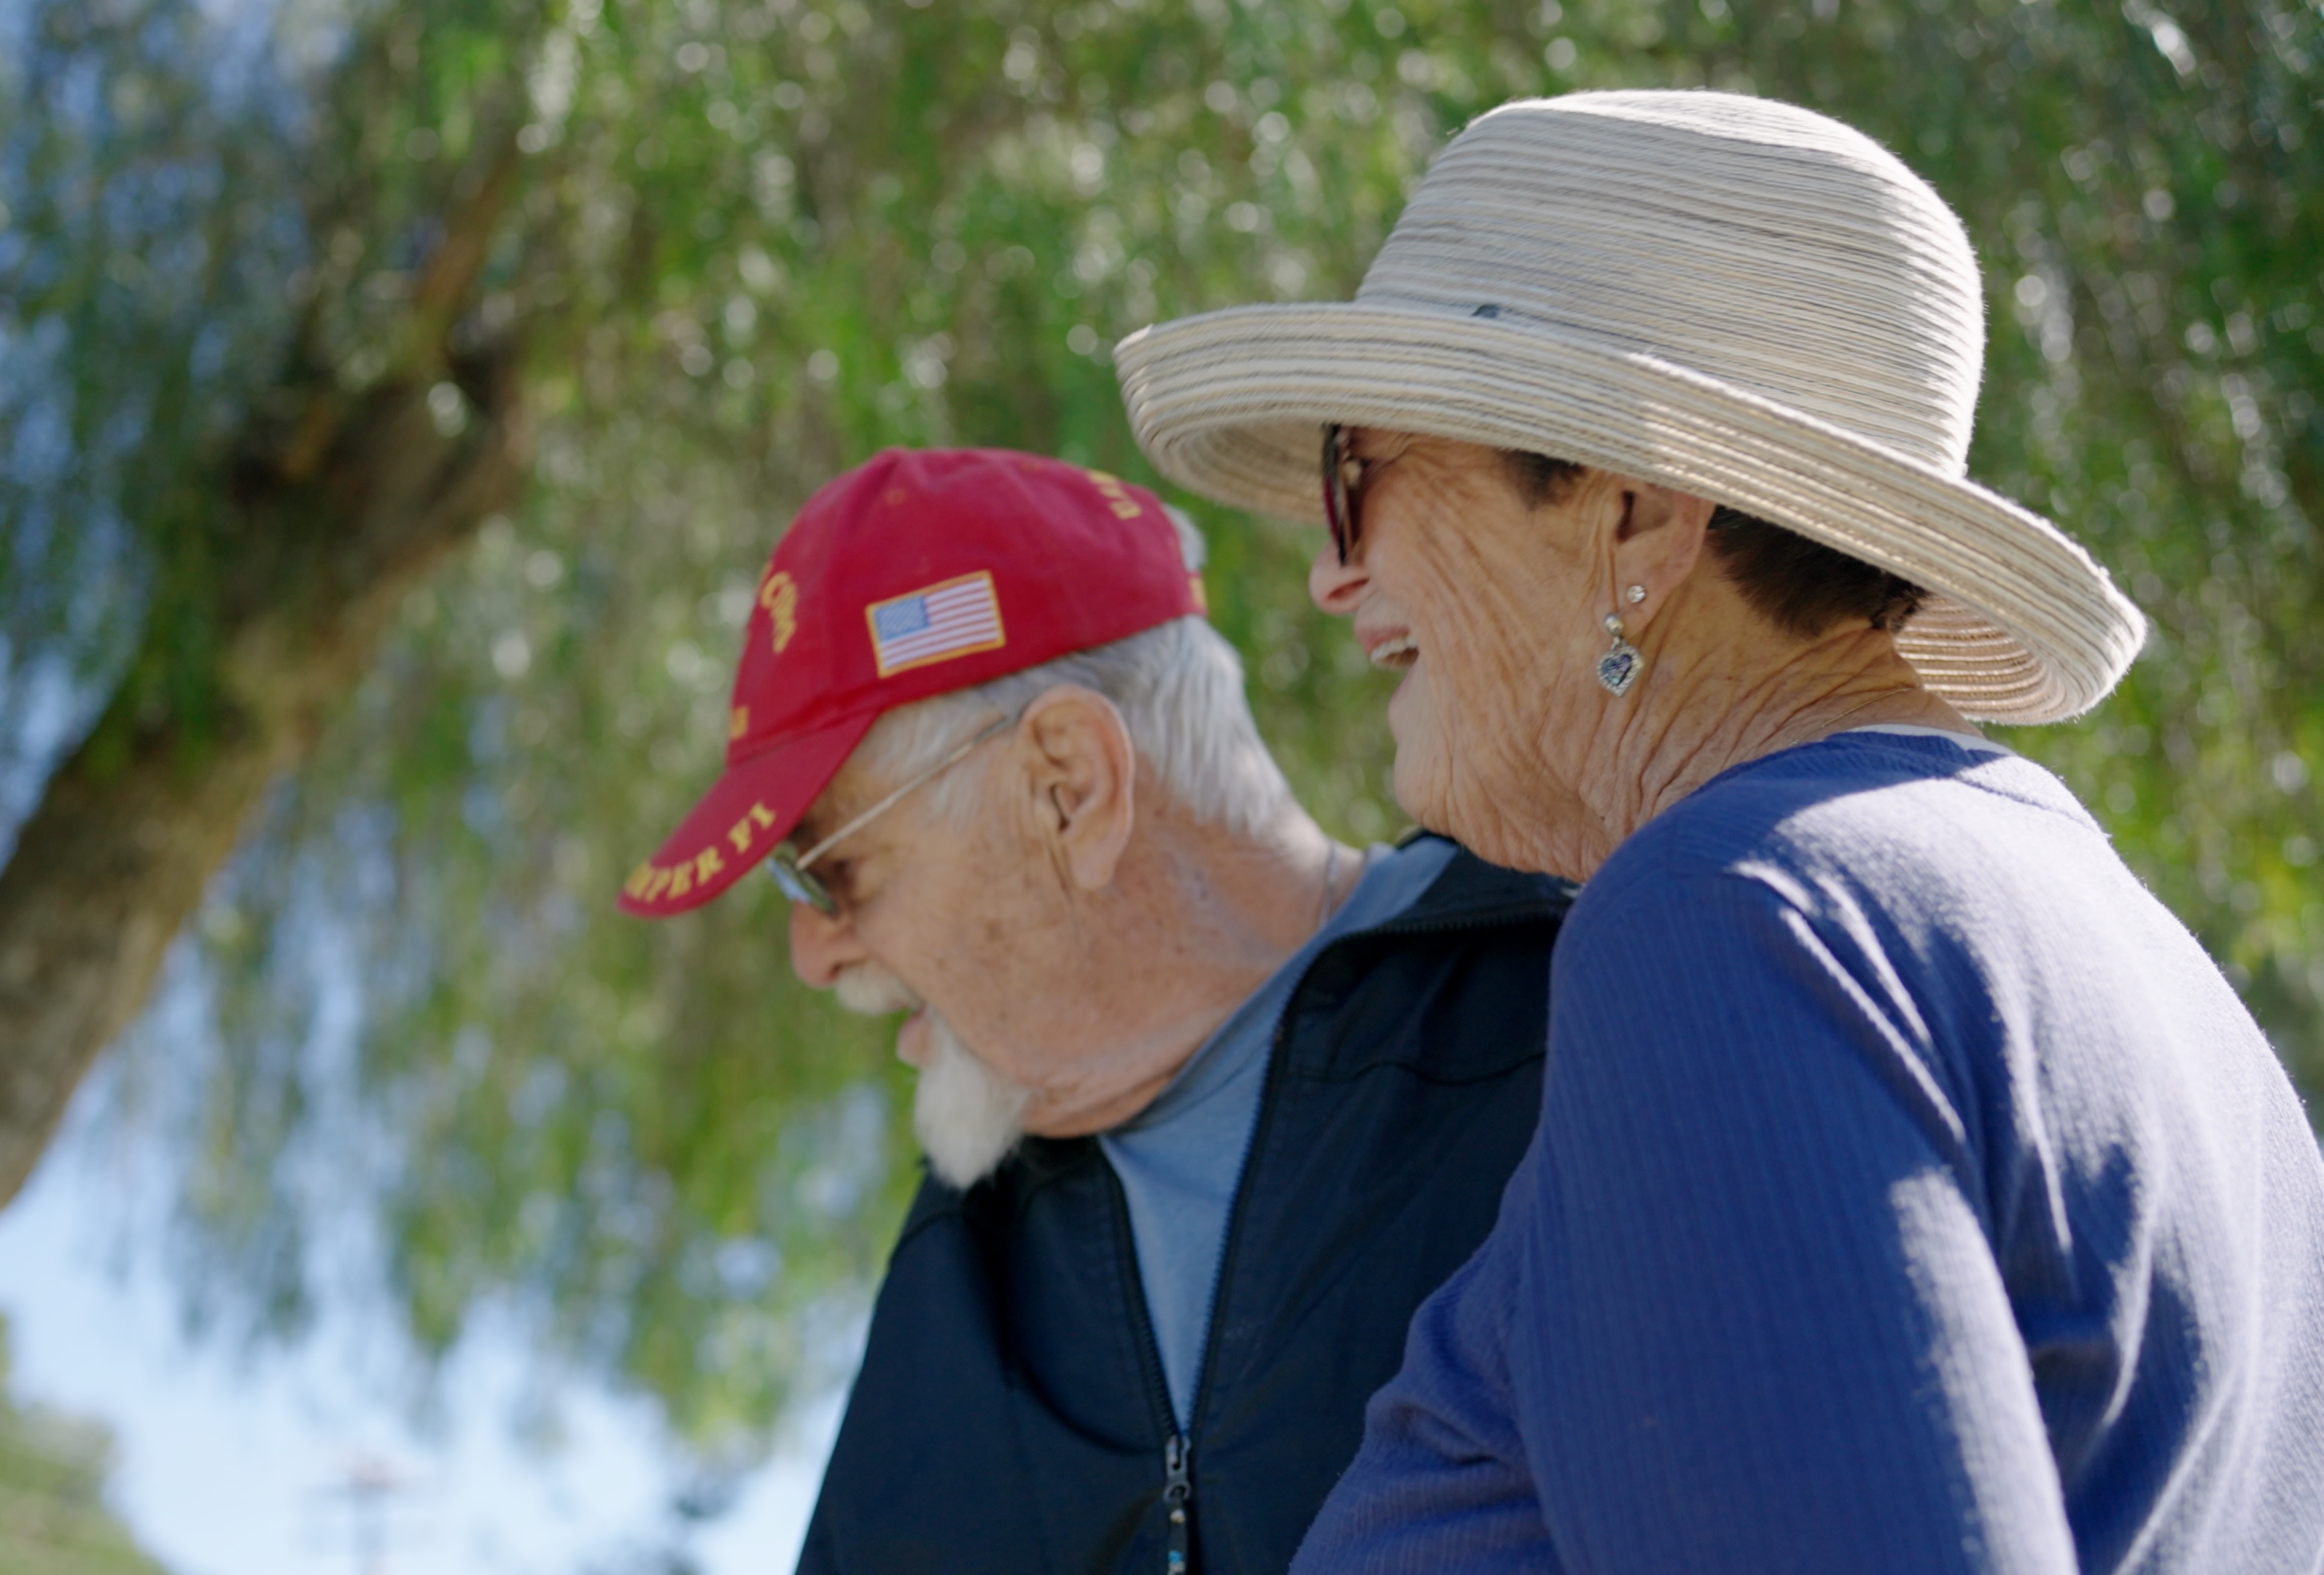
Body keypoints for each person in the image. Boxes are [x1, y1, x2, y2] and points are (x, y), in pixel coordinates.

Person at [1116, 89, 2324, 1573]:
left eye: (1356, 478)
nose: (1325, 574)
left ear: (1629, 515)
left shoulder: (1730, 908)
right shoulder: (2141, 975)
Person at [617, 447, 1571, 1573]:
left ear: (1070, 787)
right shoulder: (962, 1256)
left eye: (830, 872)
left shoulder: (1577, 1007)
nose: (815, 955)